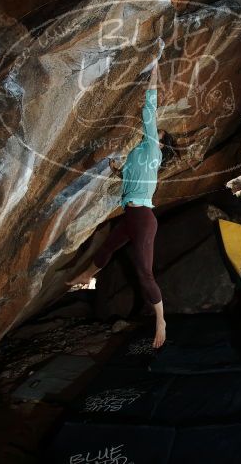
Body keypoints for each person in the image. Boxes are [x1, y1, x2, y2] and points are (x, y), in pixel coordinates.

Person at [66, 38, 173, 348]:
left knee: (144, 273)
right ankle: (85, 275)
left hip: (141, 217)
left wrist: (154, 68)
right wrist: (117, 169)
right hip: (133, 214)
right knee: (109, 247)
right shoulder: (140, 154)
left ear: (161, 141)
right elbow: (129, 177)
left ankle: (161, 321)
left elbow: (150, 107)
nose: (155, 132)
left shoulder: (153, 145)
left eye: (158, 134)